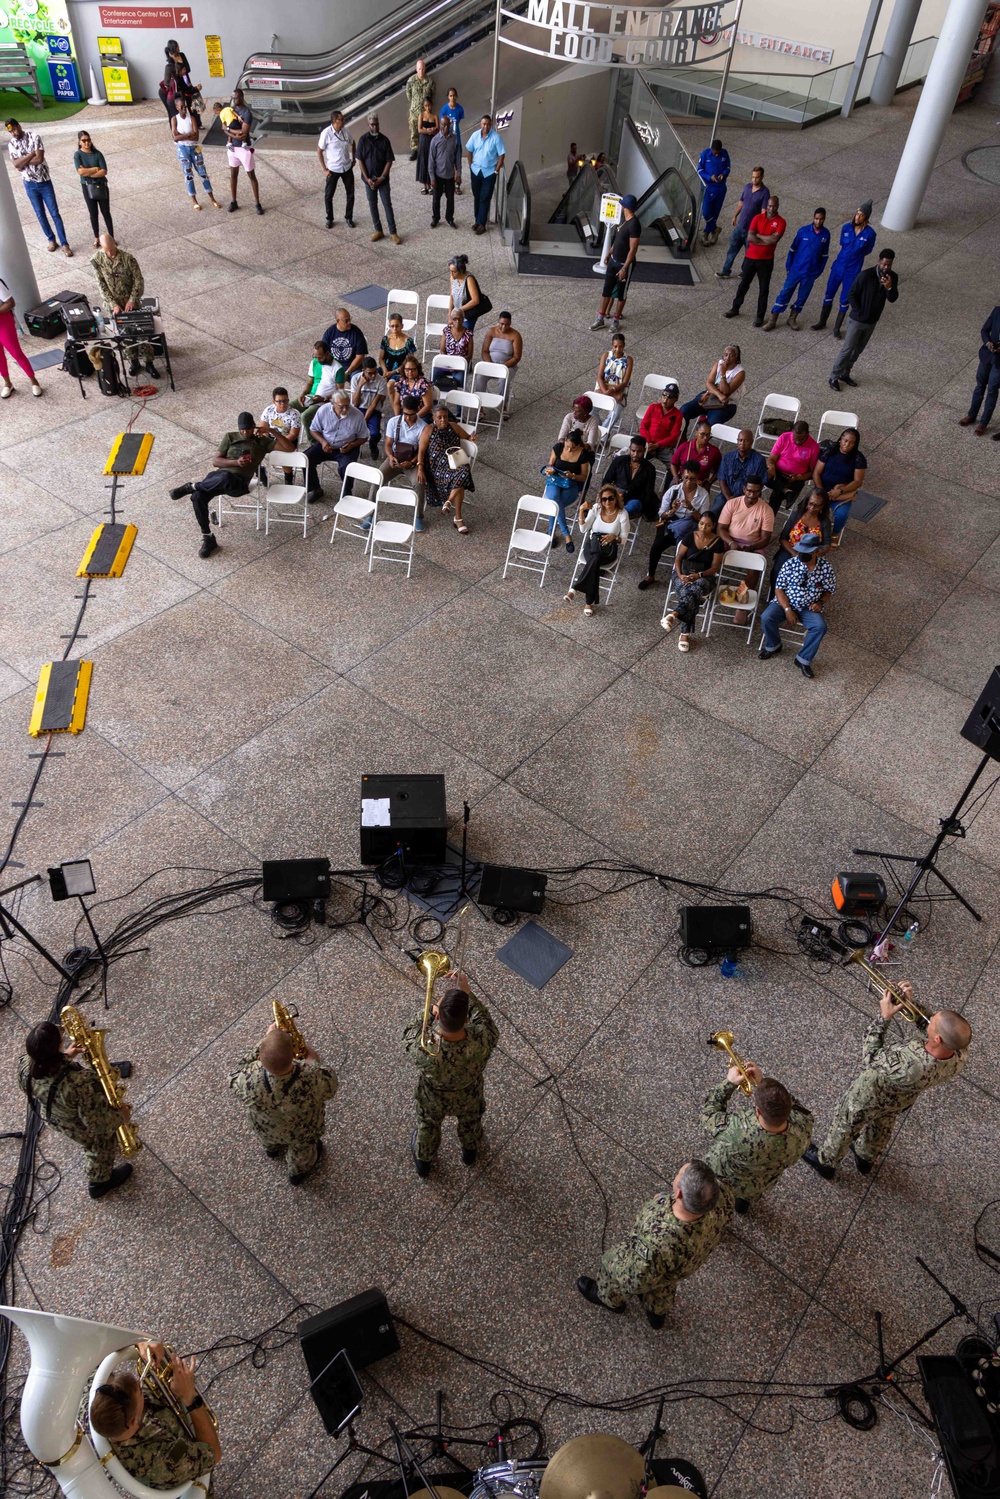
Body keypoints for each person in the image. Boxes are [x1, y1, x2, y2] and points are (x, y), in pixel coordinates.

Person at [803, 986, 970, 1179]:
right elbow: (931, 1029)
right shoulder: (960, 1051)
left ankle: (826, 1162)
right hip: (901, 1099)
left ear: (937, 1038)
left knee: (846, 1123)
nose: (929, 1019)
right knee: (883, 1123)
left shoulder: (911, 1066)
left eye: (933, 1020)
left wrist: (884, 1017)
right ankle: (865, 1157)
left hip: (871, 1094)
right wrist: (909, 1003)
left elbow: (870, 1057)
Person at [577, 1160, 732, 1328]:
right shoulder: (723, 1197)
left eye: (679, 1174)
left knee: (615, 1274)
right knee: (663, 1285)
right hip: (684, 1264)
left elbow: (635, 1278)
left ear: (679, 1193)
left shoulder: (657, 1244)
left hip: (649, 1263)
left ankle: (609, 1299)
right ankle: (656, 1314)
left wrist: (613, 1266)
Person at [17, 1020, 133, 1200]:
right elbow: (99, 1124)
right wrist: (121, 1116)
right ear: (56, 1048)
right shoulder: (79, 1083)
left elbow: (40, 1078)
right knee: (99, 1143)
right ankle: (99, 1182)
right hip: (76, 1125)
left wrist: (64, 1056)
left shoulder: (24, 1065)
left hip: (53, 1115)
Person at [402, 969, 497, 1174]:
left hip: (432, 1098)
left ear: (438, 1017)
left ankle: (424, 1162)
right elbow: (485, 1021)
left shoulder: (424, 1047)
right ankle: (470, 1152)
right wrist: (467, 993)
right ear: (466, 1020)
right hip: (469, 1095)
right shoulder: (482, 1038)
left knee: (427, 1125)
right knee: (471, 1121)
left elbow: (409, 1032)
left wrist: (429, 1010)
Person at [89, 1341, 220, 1489]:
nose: (140, 1381)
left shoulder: (93, 1401)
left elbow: (93, 1356)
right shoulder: (161, 1462)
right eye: (139, 1391)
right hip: (186, 1480)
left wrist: (140, 1344)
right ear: (134, 1422)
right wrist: (190, 1398)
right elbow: (213, 1454)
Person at [229, 1020, 338, 1184]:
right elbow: (331, 1087)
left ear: (259, 1058)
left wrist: (266, 1040)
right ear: (294, 1056)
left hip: (266, 1128)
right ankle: (297, 1173)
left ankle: (272, 1150)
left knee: (269, 1139)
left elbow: (233, 1075)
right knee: (303, 1150)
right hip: (302, 1132)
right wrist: (313, 1060)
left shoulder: (247, 1077)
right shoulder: (312, 1076)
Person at [701, 1066, 813, 1213]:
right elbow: (794, 1104)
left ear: (758, 1111)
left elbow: (709, 1115)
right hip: (759, 1183)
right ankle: (743, 1202)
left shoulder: (737, 1130)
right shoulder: (805, 1123)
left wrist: (729, 1083)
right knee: (748, 1192)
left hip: (727, 1177)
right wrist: (764, 1083)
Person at [169, 411, 275, 557]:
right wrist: (235, 462)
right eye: (242, 429)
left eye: (248, 429)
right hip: (217, 478)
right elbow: (215, 461)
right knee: (197, 497)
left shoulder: (262, 442)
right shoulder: (230, 437)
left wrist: (271, 431)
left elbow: (289, 448)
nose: (245, 432)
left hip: (239, 484)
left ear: (253, 426)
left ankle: (191, 486)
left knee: (225, 477)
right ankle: (208, 538)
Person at [758, 532, 836, 679]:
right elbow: (779, 589)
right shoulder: (790, 563)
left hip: (808, 606)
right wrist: (787, 609)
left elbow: (829, 590)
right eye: (801, 550)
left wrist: (820, 602)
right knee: (766, 617)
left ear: (815, 551)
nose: (802, 554)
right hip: (786, 601)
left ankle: (803, 659)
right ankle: (774, 645)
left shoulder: (826, 568)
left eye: (806, 552)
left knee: (820, 627)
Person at [91, 234, 160, 379]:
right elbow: (101, 285)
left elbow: (138, 281)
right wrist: (113, 304)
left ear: (115, 244)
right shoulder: (97, 260)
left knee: (142, 334)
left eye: (111, 249)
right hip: (114, 306)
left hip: (132, 304)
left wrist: (132, 300)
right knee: (124, 335)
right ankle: (133, 361)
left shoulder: (128, 259)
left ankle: (149, 362)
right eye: (106, 251)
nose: (110, 253)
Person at [830, 249, 898, 392]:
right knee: (847, 349)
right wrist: (859, 311)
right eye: (884, 264)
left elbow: (892, 298)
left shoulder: (892, 277)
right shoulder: (866, 275)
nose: (886, 268)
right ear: (879, 261)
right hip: (857, 320)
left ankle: (845, 373)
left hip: (871, 322)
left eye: (889, 265)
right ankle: (834, 376)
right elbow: (852, 294)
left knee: (857, 350)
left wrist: (889, 287)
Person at [660, 510, 726, 651]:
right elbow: (678, 558)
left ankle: (674, 614)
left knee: (696, 588)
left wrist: (699, 575)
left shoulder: (718, 542)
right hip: (683, 574)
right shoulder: (690, 536)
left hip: (704, 577)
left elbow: (714, 567)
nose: (703, 528)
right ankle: (684, 634)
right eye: (701, 524)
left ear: (713, 526)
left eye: (707, 525)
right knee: (692, 594)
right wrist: (680, 574)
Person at [5, 119, 72, 256]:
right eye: (10, 131)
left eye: (14, 129)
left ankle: (64, 243)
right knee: (40, 214)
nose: (13, 133)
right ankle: (51, 239)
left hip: (44, 181)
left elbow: (39, 159)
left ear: (19, 126)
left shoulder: (34, 137)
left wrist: (23, 160)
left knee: (54, 213)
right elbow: (16, 165)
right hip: (29, 183)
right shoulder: (11, 144)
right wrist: (31, 154)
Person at [812, 200, 877, 335]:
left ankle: (836, 328)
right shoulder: (846, 228)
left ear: (866, 217)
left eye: (861, 215)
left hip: (852, 272)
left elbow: (868, 250)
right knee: (829, 294)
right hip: (838, 267)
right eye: (857, 214)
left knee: (845, 299)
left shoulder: (870, 234)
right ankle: (822, 322)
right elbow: (843, 242)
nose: (857, 217)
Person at [565, 486, 629, 616]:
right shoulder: (596, 509)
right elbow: (583, 529)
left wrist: (614, 537)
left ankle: (574, 588)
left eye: (610, 498)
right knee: (594, 561)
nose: (607, 502)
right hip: (592, 546)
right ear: (600, 500)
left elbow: (624, 539)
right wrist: (581, 511)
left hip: (608, 550)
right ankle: (588, 603)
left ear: (616, 499)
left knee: (595, 560)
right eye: (604, 499)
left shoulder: (622, 514)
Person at [640, 463, 711, 579]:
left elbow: (703, 520)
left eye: (692, 478)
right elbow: (662, 515)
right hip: (671, 523)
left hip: (691, 524)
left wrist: (691, 508)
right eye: (686, 477)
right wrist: (672, 510)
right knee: (657, 545)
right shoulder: (673, 491)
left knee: (687, 550)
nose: (688, 481)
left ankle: (680, 575)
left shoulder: (703, 495)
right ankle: (650, 574)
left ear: (697, 478)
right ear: (682, 476)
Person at [725, 194, 786, 326]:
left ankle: (760, 316)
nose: (771, 208)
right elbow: (750, 237)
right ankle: (735, 308)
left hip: (766, 261)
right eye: (769, 205)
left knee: (764, 289)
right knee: (743, 285)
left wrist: (759, 236)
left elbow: (774, 239)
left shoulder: (781, 222)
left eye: (774, 206)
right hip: (750, 258)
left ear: (778, 206)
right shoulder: (757, 218)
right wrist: (766, 238)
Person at [763, 208, 829, 330]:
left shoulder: (826, 234)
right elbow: (792, 249)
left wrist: (819, 271)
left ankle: (792, 318)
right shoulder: (803, 231)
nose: (818, 221)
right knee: (785, 293)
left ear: (824, 219)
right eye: (816, 218)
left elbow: (824, 256)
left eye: (821, 219)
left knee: (802, 296)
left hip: (810, 273)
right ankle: (773, 319)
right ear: (813, 218)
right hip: (796, 270)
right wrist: (788, 266)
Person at [419, 402, 475, 533]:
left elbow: (467, 437)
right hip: (437, 469)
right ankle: (458, 517)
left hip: (454, 464)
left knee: (463, 471)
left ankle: (449, 502)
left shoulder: (454, 427)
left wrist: (472, 437)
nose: (443, 420)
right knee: (462, 476)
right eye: (439, 417)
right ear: (434, 418)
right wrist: (420, 468)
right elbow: (421, 452)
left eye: (445, 416)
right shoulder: (428, 430)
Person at [767, 489, 832, 600]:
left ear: (822, 507)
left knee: (807, 578)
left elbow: (827, 545)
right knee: (777, 571)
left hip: (811, 555)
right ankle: (774, 598)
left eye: (816, 506)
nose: (812, 508)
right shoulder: (797, 515)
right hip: (790, 550)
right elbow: (783, 538)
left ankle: (798, 600)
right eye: (811, 504)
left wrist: (816, 552)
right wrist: (795, 553)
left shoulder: (824, 522)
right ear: (807, 502)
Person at [304, 388, 369, 498]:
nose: (344, 410)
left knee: (346, 466)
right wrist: (323, 442)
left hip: (347, 447)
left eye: (347, 406)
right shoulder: (323, 410)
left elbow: (364, 437)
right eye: (341, 407)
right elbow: (313, 429)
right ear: (333, 404)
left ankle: (346, 492)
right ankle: (315, 489)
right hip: (326, 444)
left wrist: (352, 445)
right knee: (306, 458)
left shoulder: (357, 415)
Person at [379, 394, 430, 531]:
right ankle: (370, 514)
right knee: (377, 478)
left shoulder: (423, 427)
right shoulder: (394, 422)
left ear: (417, 410)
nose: (407, 417)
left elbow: (421, 451)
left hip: (412, 461)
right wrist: (390, 457)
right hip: (395, 459)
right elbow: (388, 444)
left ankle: (418, 516)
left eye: (411, 414)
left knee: (420, 483)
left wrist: (412, 463)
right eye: (405, 414)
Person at [590, 194, 640, 332]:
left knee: (621, 294)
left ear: (625, 207)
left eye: (622, 204)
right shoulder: (623, 220)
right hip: (613, 262)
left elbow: (633, 249)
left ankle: (616, 320)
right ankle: (600, 318)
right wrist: (609, 253)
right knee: (606, 290)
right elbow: (618, 241)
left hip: (623, 265)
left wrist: (624, 268)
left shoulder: (634, 224)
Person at [542, 427, 593, 549]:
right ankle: (566, 534)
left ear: (579, 446)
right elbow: (550, 464)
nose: (569, 450)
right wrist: (549, 470)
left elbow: (584, 477)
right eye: (567, 446)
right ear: (564, 441)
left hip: (571, 484)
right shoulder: (558, 448)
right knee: (554, 498)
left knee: (554, 502)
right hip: (555, 481)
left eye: (573, 448)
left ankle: (551, 532)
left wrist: (573, 475)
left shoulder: (583, 455)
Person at [812, 426, 867, 537]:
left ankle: (835, 533)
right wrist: (822, 491)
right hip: (822, 489)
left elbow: (857, 481)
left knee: (841, 515)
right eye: (845, 441)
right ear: (840, 439)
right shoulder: (829, 452)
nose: (847, 445)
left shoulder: (858, 458)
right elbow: (816, 473)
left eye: (851, 443)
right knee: (809, 508)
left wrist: (840, 491)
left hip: (841, 493)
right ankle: (812, 529)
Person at [716, 164, 767, 279]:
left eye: (757, 177)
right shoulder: (747, 187)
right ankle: (725, 270)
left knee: (749, 253)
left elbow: (764, 212)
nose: (754, 179)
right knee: (732, 249)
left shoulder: (764, 192)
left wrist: (760, 229)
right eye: (753, 177)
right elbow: (741, 202)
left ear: (762, 177)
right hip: (740, 225)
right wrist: (735, 215)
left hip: (751, 230)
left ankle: (745, 272)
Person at [357, 113, 401, 244]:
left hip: (382, 181)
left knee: (387, 205)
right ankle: (378, 230)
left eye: (377, 124)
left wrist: (382, 178)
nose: (375, 127)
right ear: (368, 125)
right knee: (372, 204)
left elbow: (389, 161)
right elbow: (360, 160)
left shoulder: (385, 140)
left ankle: (393, 232)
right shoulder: (363, 140)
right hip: (369, 180)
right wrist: (367, 178)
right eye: (372, 124)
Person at [679, 345, 744, 431]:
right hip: (710, 396)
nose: (727, 358)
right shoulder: (718, 363)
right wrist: (719, 395)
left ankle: (700, 443)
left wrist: (723, 374)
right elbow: (709, 383)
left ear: (737, 357)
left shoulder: (740, 373)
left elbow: (726, 392)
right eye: (725, 355)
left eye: (731, 355)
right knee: (684, 410)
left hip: (727, 404)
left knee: (710, 425)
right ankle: (682, 436)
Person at [170, 98, 219, 211]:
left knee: (203, 173)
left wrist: (182, 135)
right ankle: (194, 200)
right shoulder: (174, 119)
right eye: (181, 107)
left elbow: (196, 137)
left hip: (194, 148)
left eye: (185, 107)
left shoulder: (191, 118)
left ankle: (212, 198)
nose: (184, 109)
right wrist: (189, 134)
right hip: (183, 149)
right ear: (177, 107)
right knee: (188, 174)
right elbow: (175, 137)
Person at [0, 275, 43, 398]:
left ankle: (34, 381)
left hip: (3, 322)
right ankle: (8, 384)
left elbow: (10, 303)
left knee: (16, 352)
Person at [961, 305, 1000, 436]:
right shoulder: (997, 311)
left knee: (992, 390)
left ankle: (983, 422)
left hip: (999, 364)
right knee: (980, 386)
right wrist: (988, 343)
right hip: (987, 357)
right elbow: (984, 330)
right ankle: (971, 415)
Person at [766, 419, 820, 514]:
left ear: (808, 433)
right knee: (761, 474)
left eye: (801, 439)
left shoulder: (814, 447)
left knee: (776, 496)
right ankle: (786, 490)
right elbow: (771, 458)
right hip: (777, 473)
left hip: (796, 479)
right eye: (795, 438)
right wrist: (771, 467)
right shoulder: (784, 437)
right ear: (792, 432)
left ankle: (767, 521)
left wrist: (799, 477)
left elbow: (812, 473)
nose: (798, 441)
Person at [223, 88, 263, 214]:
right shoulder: (232, 110)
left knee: (251, 175)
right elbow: (224, 127)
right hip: (233, 148)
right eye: (232, 97)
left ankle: (257, 203)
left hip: (243, 149)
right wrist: (231, 133)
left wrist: (228, 129)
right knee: (233, 175)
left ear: (241, 98)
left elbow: (244, 133)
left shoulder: (246, 113)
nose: (233, 100)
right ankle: (234, 201)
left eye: (235, 98)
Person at [714, 427, 768, 517]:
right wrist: (728, 498)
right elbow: (721, 480)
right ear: (737, 441)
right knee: (714, 512)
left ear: (751, 442)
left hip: (749, 498)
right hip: (727, 494)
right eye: (740, 440)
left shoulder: (759, 460)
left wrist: (747, 498)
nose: (742, 443)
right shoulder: (727, 457)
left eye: (746, 441)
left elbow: (760, 483)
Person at [465, 114, 505, 234]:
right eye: (483, 124)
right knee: (477, 196)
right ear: (480, 124)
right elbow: (469, 151)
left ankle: (482, 224)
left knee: (485, 197)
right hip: (476, 171)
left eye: (488, 124)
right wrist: (471, 165)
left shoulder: (496, 137)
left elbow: (501, 155)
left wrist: (496, 170)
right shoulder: (475, 135)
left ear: (490, 125)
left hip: (489, 173)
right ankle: (477, 220)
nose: (485, 126)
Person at [294, 341, 345, 434]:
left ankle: (314, 443)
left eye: (320, 357)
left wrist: (324, 398)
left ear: (327, 353)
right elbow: (309, 382)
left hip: (324, 402)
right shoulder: (314, 362)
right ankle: (290, 438)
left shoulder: (338, 368)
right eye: (315, 356)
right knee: (287, 407)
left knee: (306, 416)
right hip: (310, 397)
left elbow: (340, 392)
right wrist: (302, 393)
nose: (317, 359)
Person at [717, 475, 774, 554]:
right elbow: (720, 529)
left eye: (756, 491)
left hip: (753, 544)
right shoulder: (731, 503)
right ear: (744, 489)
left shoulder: (767, 510)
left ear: (760, 491)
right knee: (714, 551)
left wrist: (751, 547)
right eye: (749, 490)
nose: (752, 494)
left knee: (758, 560)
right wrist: (731, 543)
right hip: (729, 539)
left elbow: (765, 538)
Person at [317, 109, 356, 228]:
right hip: (333, 169)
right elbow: (319, 151)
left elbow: (353, 143)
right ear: (335, 121)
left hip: (346, 167)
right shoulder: (326, 133)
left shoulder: (345, 131)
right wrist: (324, 169)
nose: (344, 121)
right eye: (341, 119)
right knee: (329, 195)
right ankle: (330, 218)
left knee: (350, 193)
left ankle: (349, 217)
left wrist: (353, 159)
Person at [74, 129, 114, 244]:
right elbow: (80, 172)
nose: (87, 143)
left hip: (101, 186)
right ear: (79, 142)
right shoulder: (78, 155)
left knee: (106, 212)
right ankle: (96, 238)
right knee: (93, 213)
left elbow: (104, 171)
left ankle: (111, 237)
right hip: (87, 187)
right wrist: (95, 169)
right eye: (84, 140)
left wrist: (88, 173)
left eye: (88, 140)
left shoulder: (97, 154)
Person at [605, 435, 658, 520]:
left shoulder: (650, 469)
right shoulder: (619, 461)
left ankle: (612, 516)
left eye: (639, 452)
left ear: (644, 451)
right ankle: (615, 516)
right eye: (633, 451)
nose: (635, 454)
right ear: (630, 449)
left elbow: (649, 492)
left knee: (635, 505)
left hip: (633, 498)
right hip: (616, 495)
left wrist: (641, 507)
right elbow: (606, 481)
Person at [475, 310, 522, 406]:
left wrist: (503, 366)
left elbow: (517, 357)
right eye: (501, 324)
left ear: (510, 324)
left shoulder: (515, 335)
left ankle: (503, 406)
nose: (504, 327)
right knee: (480, 377)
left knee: (503, 379)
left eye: (507, 324)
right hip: (491, 364)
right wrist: (490, 364)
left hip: (507, 366)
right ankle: (480, 406)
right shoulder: (491, 331)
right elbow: (484, 351)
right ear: (498, 322)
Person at [351, 356, 388, 459]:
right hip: (359, 409)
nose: (373, 375)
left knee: (375, 433)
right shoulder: (356, 379)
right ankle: (356, 448)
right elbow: (355, 403)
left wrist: (364, 420)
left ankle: (373, 445)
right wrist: (360, 386)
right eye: (370, 373)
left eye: (375, 372)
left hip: (374, 410)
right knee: (353, 431)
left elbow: (374, 404)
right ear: (363, 371)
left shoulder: (381, 381)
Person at [696, 137, 730, 246]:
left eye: (718, 153)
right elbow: (699, 170)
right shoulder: (705, 154)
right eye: (715, 153)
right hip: (708, 187)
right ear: (712, 149)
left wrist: (723, 174)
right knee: (706, 212)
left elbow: (728, 167)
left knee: (715, 213)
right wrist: (709, 177)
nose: (716, 155)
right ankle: (715, 229)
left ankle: (706, 233)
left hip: (720, 188)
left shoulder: (724, 154)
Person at [429, 114, 461, 227]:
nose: (445, 127)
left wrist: (459, 174)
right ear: (440, 125)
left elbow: (458, 158)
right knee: (436, 199)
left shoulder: (455, 139)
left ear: (451, 125)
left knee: (450, 199)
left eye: (447, 124)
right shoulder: (435, 140)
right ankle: (436, 218)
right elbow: (431, 160)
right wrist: (432, 177)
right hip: (438, 175)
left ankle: (450, 218)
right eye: (443, 124)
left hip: (450, 175)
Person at [671, 420, 721, 490]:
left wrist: (709, 483)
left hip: (701, 484)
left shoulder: (714, 451)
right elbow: (673, 463)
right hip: (682, 480)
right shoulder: (685, 446)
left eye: (708, 434)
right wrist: (675, 477)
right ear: (696, 433)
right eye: (702, 434)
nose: (706, 437)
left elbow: (719, 470)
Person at [639, 382, 683, 462]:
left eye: (669, 397)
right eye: (664, 395)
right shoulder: (653, 407)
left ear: (675, 400)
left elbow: (673, 436)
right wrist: (648, 443)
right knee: (633, 456)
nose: (665, 400)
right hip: (647, 442)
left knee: (674, 464)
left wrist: (657, 445)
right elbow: (643, 426)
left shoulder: (678, 415)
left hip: (663, 446)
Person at [322, 307, 368, 379]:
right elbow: (323, 352)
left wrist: (348, 372)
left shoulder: (356, 333)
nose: (349, 322)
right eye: (346, 321)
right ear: (338, 321)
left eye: (350, 319)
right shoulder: (330, 332)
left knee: (356, 379)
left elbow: (360, 357)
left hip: (353, 369)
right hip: (334, 368)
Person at [449, 252, 486, 332]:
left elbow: (475, 300)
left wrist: (458, 310)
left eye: (454, 271)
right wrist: (450, 314)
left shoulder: (469, 279)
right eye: (450, 271)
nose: (451, 274)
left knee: (465, 337)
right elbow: (452, 296)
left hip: (467, 315)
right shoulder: (453, 278)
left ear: (461, 270)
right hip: (456, 314)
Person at [595, 330, 633, 407]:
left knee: (616, 412)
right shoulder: (606, 355)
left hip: (618, 389)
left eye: (620, 346)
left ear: (624, 346)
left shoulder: (628, 360)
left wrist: (612, 390)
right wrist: (606, 391)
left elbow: (625, 382)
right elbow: (599, 377)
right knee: (592, 408)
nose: (618, 349)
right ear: (612, 346)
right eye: (615, 346)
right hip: (603, 387)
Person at [437, 308, 473, 389]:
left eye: (460, 318)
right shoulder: (446, 331)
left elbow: (469, 355)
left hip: (459, 365)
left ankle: (456, 397)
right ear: (451, 319)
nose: (457, 321)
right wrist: (449, 364)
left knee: (459, 380)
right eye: (455, 319)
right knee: (435, 374)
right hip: (447, 363)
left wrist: (456, 364)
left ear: (463, 319)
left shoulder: (468, 334)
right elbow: (442, 350)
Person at [406, 58, 435, 157]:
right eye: (419, 69)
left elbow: (433, 95)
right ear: (416, 69)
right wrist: (415, 104)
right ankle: (414, 149)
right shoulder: (411, 81)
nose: (421, 71)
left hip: (426, 112)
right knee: (414, 132)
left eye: (422, 69)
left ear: (425, 69)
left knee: (426, 131)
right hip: (414, 112)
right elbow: (408, 95)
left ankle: (426, 150)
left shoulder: (430, 81)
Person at [389, 353, 433, 418]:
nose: (410, 372)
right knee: (390, 423)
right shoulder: (400, 381)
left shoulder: (423, 383)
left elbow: (428, 406)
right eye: (407, 369)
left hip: (420, 415)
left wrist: (414, 418)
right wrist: (398, 419)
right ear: (404, 369)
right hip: (404, 414)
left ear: (418, 369)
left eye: (413, 369)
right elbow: (396, 403)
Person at [439, 87, 466, 192]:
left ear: (457, 96)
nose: (452, 98)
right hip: (447, 140)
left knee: (457, 162)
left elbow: (458, 121)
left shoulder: (460, 109)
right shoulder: (444, 109)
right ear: (448, 97)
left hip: (457, 139)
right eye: (450, 96)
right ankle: (448, 183)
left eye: (454, 95)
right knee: (447, 160)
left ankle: (458, 184)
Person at [379, 311, 416, 382]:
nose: (395, 328)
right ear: (389, 326)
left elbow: (409, 362)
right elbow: (381, 358)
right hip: (386, 370)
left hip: (400, 372)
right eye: (392, 326)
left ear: (402, 326)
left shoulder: (408, 342)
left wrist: (393, 372)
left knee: (390, 384)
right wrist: (385, 371)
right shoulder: (385, 339)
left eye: (397, 326)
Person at [415, 94, 438, 192]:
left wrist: (433, 129)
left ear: (431, 105)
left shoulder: (435, 116)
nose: (428, 108)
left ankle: (432, 183)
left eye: (429, 105)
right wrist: (429, 131)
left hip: (432, 140)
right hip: (424, 140)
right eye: (426, 106)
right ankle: (425, 184)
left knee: (432, 160)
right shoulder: (421, 115)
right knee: (423, 160)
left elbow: (438, 129)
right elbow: (419, 130)